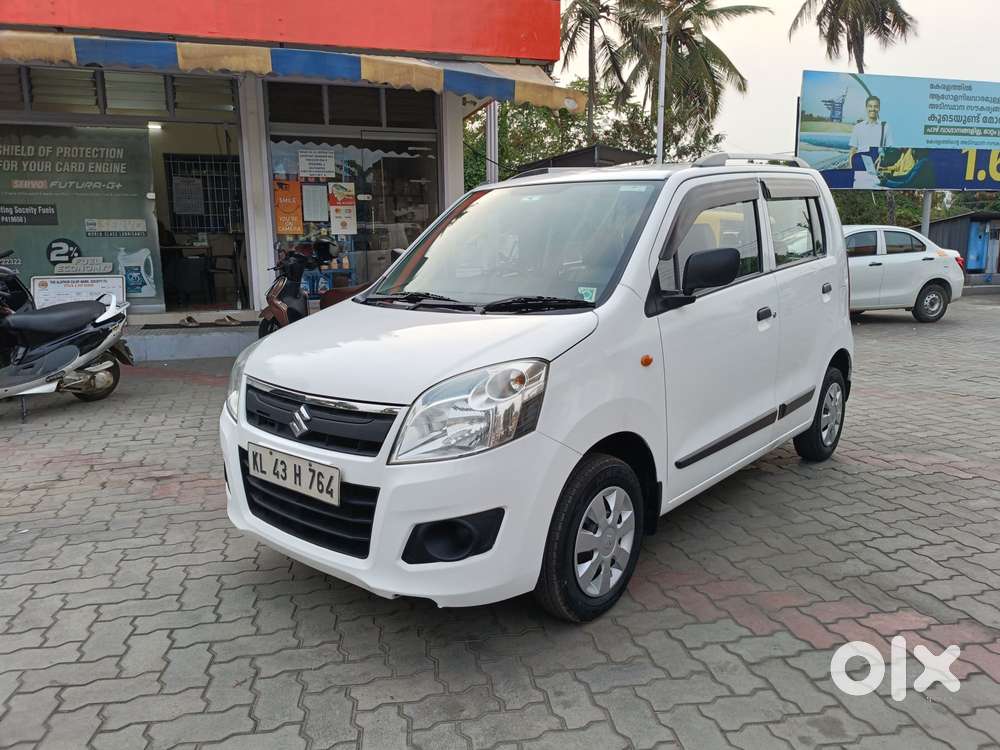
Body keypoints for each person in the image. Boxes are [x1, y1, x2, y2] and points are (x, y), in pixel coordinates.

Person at [848, 95, 893, 167]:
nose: (873, 109)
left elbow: (889, 149)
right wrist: (851, 168)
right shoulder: (858, 127)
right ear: (866, 108)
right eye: (870, 106)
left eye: (876, 106)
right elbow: (853, 150)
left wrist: (882, 156)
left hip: (876, 165)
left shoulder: (885, 127)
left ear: (879, 108)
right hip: (860, 164)